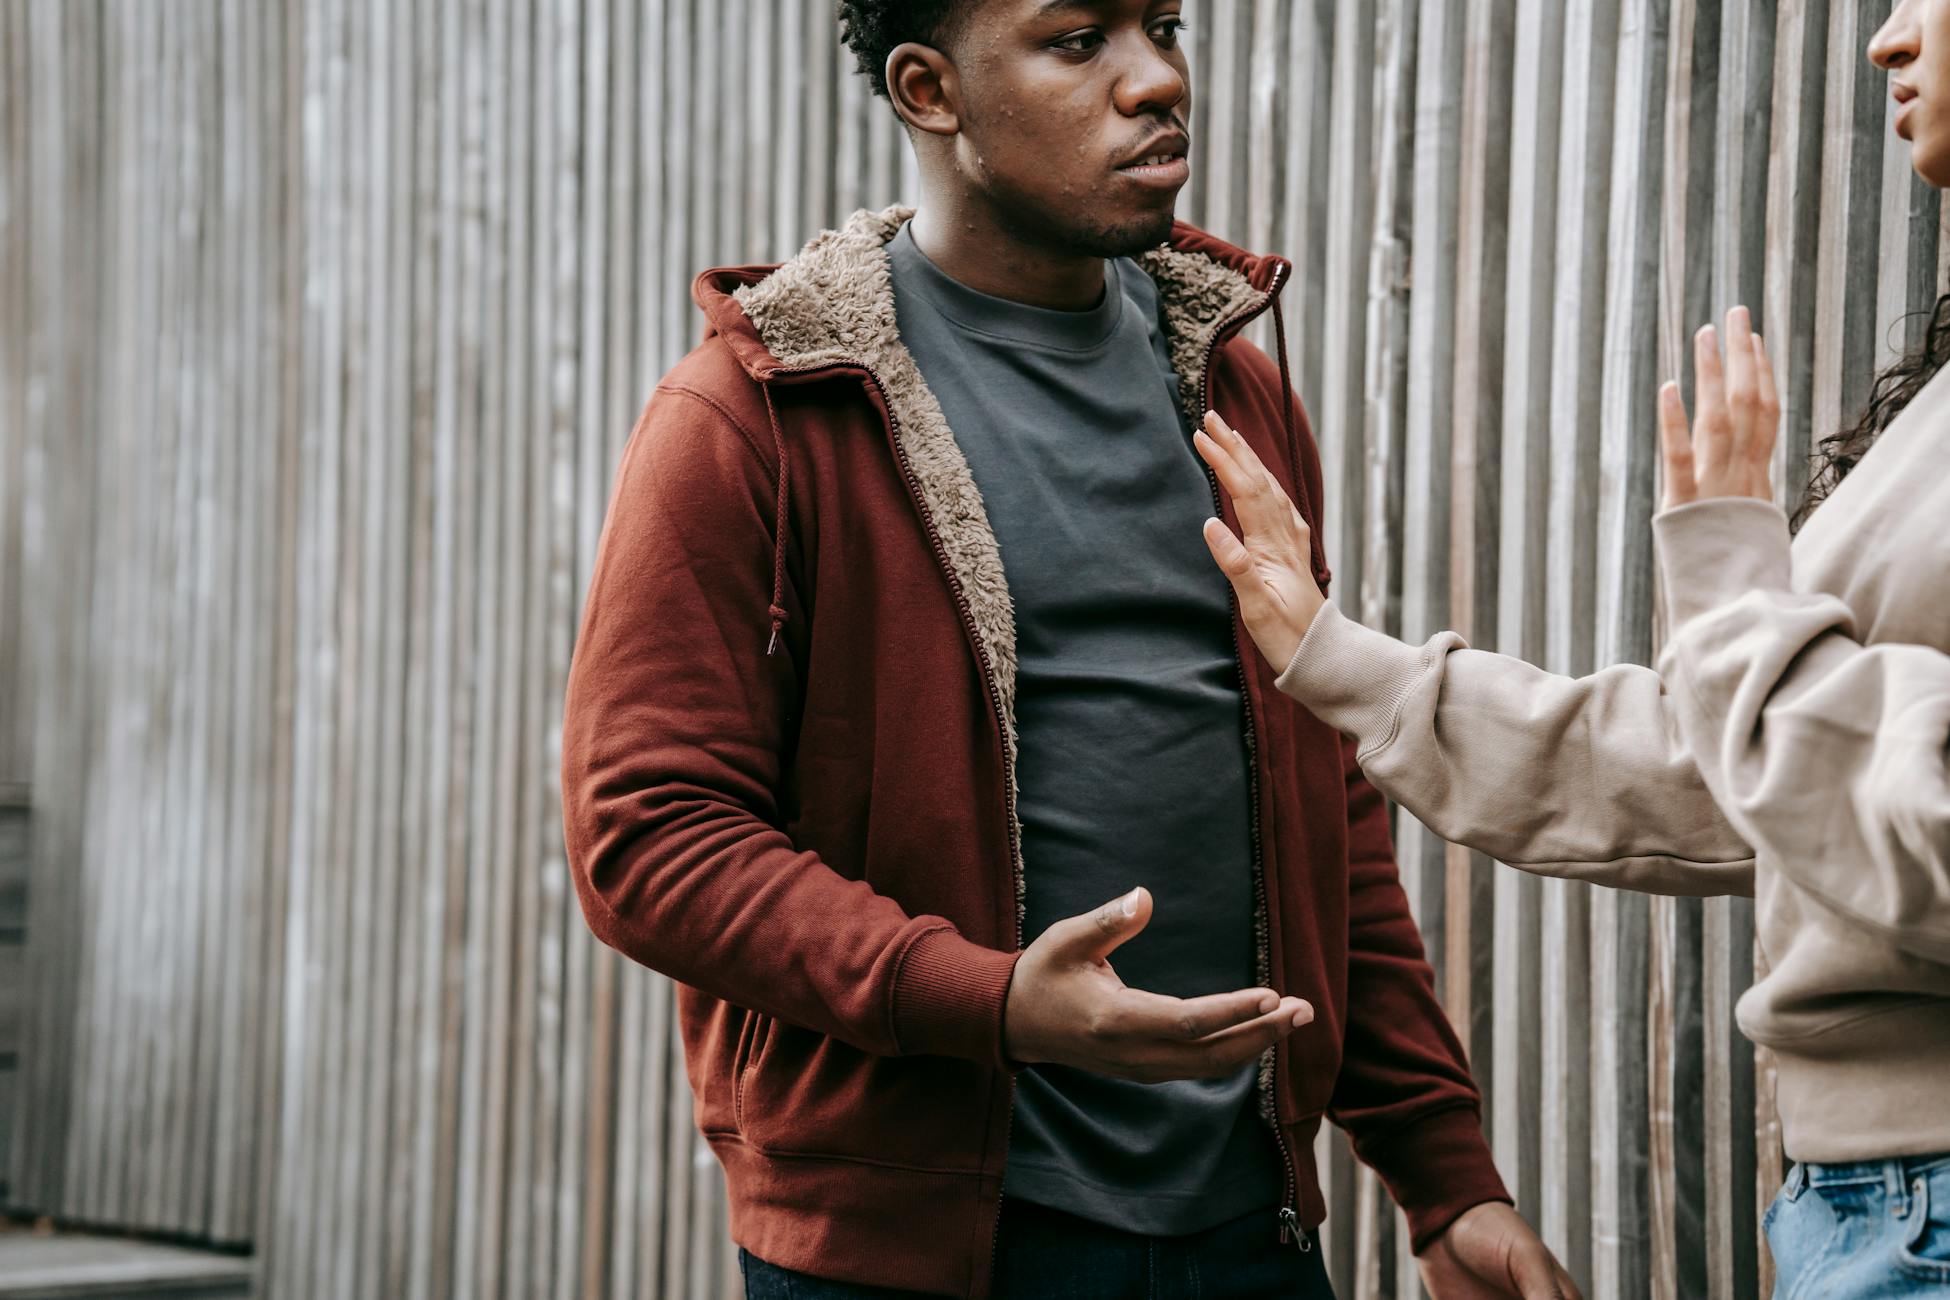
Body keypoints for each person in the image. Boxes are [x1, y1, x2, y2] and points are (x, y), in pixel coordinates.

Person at [560, 2, 1579, 1297]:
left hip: (1244, 1233)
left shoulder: (1228, 390)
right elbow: (647, 834)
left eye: (1160, 25)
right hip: (915, 1253)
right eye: (1076, 38)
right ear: (930, 90)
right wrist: (983, 1000)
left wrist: (1443, 1181)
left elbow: (1321, 799)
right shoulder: (758, 410)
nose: (1156, 79)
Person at [1195, 3, 1950, 1294]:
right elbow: (1740, 792)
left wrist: (1739, 594)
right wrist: (1344, 664)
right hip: (1868, 1204)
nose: (1886, 37)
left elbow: (1900, 814)